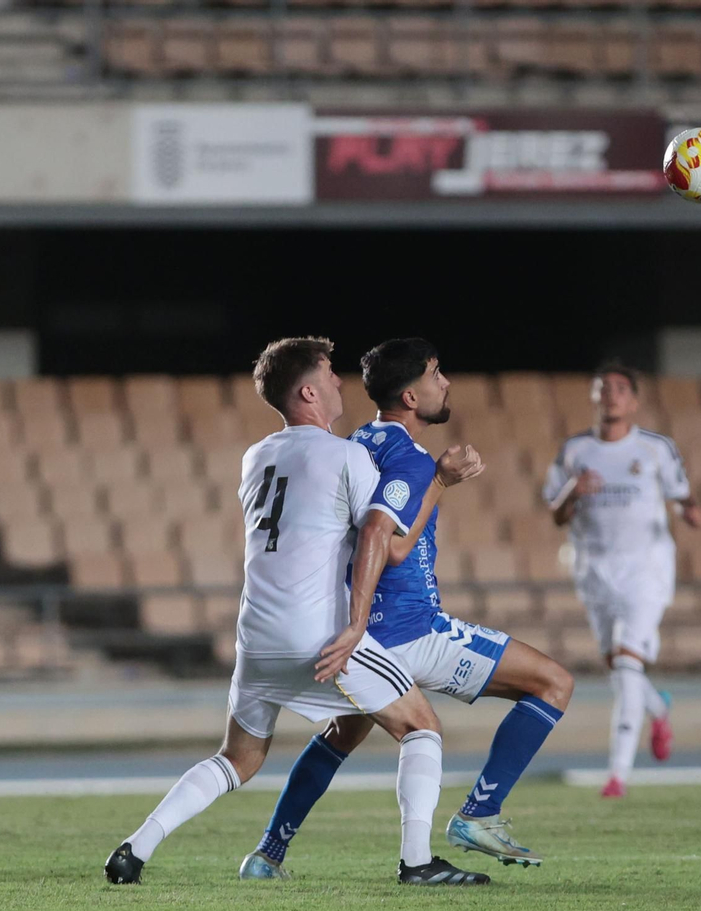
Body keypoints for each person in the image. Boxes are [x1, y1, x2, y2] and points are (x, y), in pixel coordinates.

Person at [104, 337, 490, 887]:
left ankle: (134, 850)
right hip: (319, 636)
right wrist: (437, 485)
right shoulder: (347, 456)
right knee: (420, 726)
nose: (338, 381)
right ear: (309, 391)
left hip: (257, 637)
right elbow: (385, 543)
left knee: (237, 759)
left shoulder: (256, 456)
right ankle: (417, 863)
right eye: (329, 373)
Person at [238, 338, 575, 879]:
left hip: (357, 635)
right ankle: (478, 813)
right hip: (410, 629)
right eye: (436, 374)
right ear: (411, 396)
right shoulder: (410, 458)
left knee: (344, 733)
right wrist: (440, 480)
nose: (446, 383)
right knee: (553, 683)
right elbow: (390, 545)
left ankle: (268, 853)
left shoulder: (354, 443)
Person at [543, 362, 701, 798]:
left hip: (646, 569)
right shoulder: (575, 450)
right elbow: (556, 513)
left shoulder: (655, 448)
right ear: (594, 397)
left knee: (628, 663)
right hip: (594, 570)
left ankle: (618, 775)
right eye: (604, 388)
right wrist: (574, 490)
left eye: (619, 388)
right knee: (618, 667)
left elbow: (681, 493)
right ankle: (658, 708)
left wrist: (691, 511)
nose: (611, 394)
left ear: (633, 401)